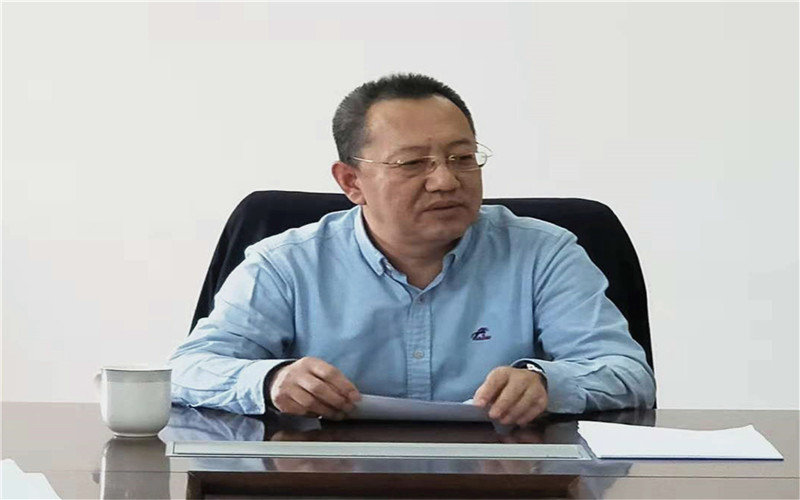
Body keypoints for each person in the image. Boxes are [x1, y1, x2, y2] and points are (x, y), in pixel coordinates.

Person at [169, 73, 656, 426]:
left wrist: (546, 382)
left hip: (505, 476)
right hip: (329, 476)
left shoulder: (544, 254)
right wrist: (272, 381)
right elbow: (187, 371)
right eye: (412, 163)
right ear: (351, 181)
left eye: (462, 157)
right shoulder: (287, 263)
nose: (446, 181)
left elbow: (628, 373)